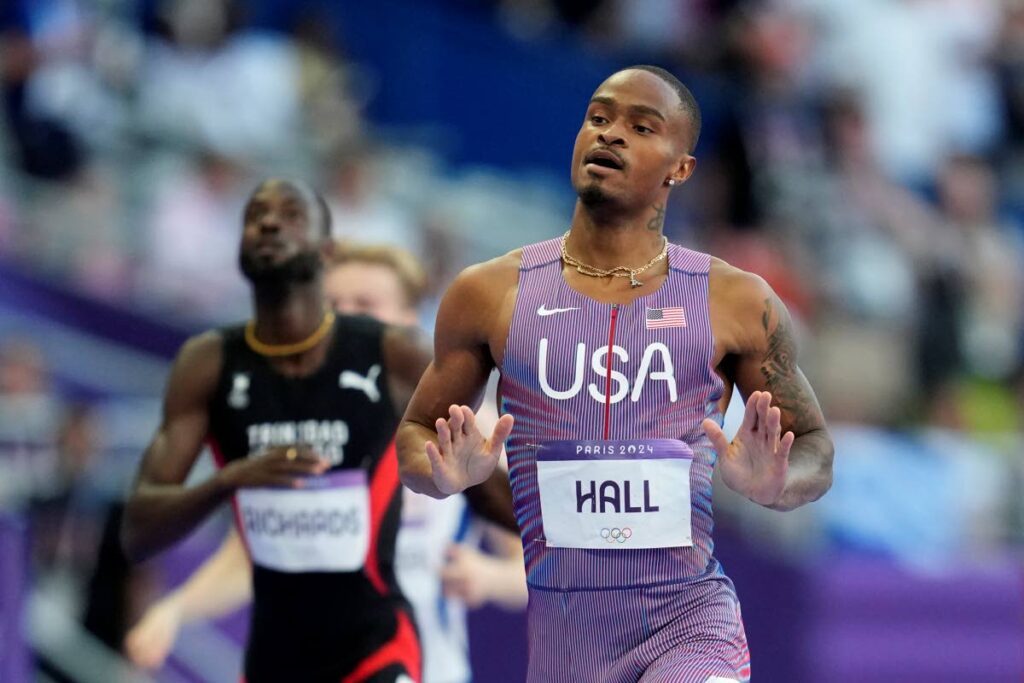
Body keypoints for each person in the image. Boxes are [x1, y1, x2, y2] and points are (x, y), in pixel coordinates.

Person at [397, 65, 835, 683]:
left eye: (641, 126)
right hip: (566, 644)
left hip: (691, 624)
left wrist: (776, 483)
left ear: (680, 168)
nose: (610, 135)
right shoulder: (488, 293)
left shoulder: (735, 300)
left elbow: (815, 446)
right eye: (598, 118)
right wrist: (444, 475)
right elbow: (415, 434)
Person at [119, 178, 486, 683]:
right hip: (283, 658)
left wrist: (490, 573)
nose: (268, 223)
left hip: (396, 656)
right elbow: (227, 553)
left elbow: (516, 524)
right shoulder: (225, 372)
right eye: (339, 302)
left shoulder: (424, 385)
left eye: (368, 303)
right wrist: (175, 607)